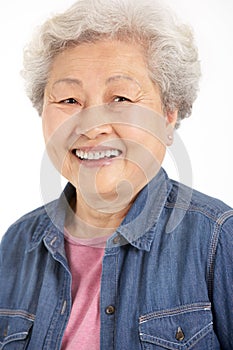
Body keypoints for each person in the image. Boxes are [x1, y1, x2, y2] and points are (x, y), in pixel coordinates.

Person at [0, 0, 232, 349]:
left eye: (121, 98)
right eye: (68, 100)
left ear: (168, 115)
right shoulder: (16, 244)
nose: (91, 127)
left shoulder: (217, 239)